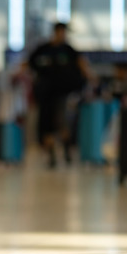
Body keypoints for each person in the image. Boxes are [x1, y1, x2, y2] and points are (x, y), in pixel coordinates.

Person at [26, 22, 93, 168]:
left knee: (63, 123)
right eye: (61, 32)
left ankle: (66, 150)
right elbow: (28, 63)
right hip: (46, 95)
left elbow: (81, 63)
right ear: (55, 32)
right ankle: (51, 156)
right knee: (47, 126)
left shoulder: (68, 50)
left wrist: (88, 75)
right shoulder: (43, 49)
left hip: (63, 94)